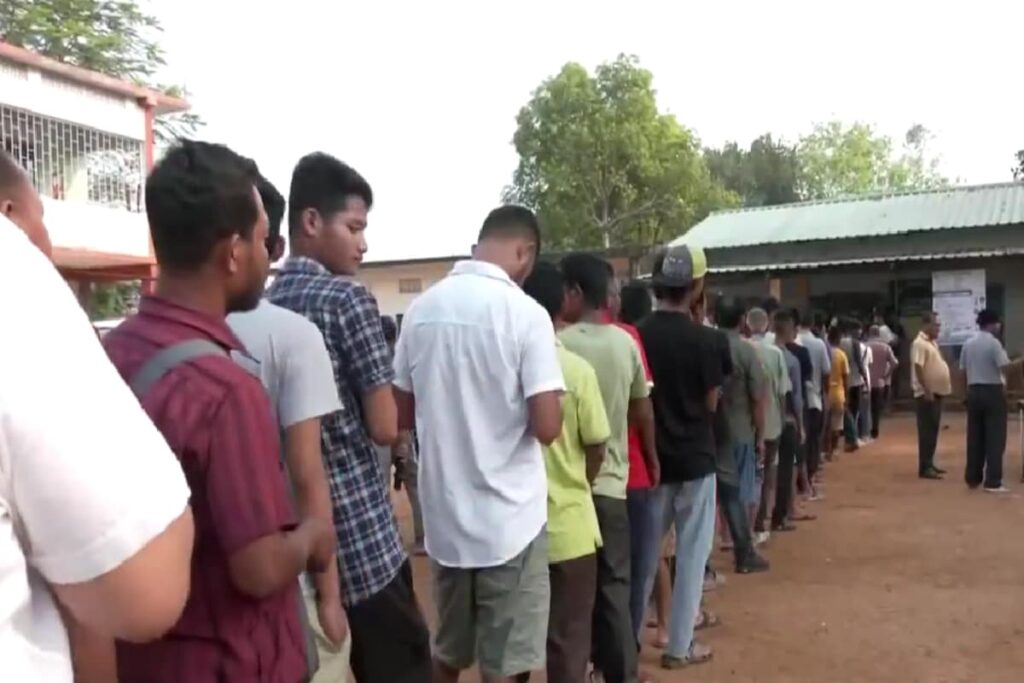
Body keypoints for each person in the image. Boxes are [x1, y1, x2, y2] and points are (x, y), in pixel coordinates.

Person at [103, 141, 334, 682]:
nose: (266, 255)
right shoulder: (225, 391)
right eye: (260, 240)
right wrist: (313, 536)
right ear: (233, 253)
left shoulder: (110, 357)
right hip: (227, 661)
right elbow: (256, 569)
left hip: (145, 658)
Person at [0, 150, 194, 682]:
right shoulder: (15, 277)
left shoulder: (129, 342)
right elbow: (146, 591)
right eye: (41, 217)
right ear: (11, 213)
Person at [268, 152, 431, 681]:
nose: (364, 243)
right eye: (354, 227)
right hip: (360, 536)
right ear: (311, 222)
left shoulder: (264, 303)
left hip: (295, 536)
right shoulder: (346, 300)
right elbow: (385, 426)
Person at [394, 205, 563, 683]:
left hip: (447, 521)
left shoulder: (421, 311)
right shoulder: (526, 315)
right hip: (511, 521)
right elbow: (548, 427)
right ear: (524, 252)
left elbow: (401, 416)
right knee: (506, 665)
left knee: (447, 651)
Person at [226, 176, 349, 682]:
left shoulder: (128, 347)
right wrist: (330, 595)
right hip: (283, 581)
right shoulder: (294, 336)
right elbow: (307, 475)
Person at [560, 252, 655, 683]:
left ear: (575, 293)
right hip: (613, 485)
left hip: (568, 490)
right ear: (608, 296)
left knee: (573, 597)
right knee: (616, 586)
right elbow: (642, 410)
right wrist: (651, 461)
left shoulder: (560, 344)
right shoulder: (625, 342)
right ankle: (620, 673)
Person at [523, 261, 609, 683]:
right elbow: (597, 446)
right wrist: (579, 482)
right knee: (570, 642)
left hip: (514, 530)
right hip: (570, 524)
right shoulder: (575, 371)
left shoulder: (504, 368)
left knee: (513, 647)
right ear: (563, 304)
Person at [636, 244, 722, 669]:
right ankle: (679, 646)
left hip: (652, 463)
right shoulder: (707, 340)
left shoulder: (637, 334)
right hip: (696, 460)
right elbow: (710, 403)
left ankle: (626, 644)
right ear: (696, 287)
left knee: (645, 556)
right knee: (690, 556)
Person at [716, 299, 771, 574]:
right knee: (737, 494)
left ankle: (706, 561)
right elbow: (758, 399)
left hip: (705, 432)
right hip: (738, 431)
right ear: (741, 321)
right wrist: (760, 435)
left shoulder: (708, 345)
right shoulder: (746, 352)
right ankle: (743, 549)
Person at [378, 315, 426, 555]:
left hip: (377, 434)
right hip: (401, 430)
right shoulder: (396, 359)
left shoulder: (376, 359)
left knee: (381, 488)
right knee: (413, 484)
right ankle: (422, 537)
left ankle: (390, 539)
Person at [960, 309, 1022, 492]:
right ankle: (993, 481)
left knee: (974, 437)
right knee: (995, 437)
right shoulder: (994, 344)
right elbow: (1005, 369)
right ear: (992, 324)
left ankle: (972, 478)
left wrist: (965, 394)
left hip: (973, 390)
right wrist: (1021, 361)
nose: (1000, 326)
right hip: (992, 391)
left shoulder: (968, 343)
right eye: (998, 323)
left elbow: (962, 371)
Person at [747, 307, 790, 545]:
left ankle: (741, 528)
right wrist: (783, 418)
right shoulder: (775, 353)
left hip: (745, 425)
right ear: (766, 325)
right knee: (767, 476)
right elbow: (783, 393)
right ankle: (760, 523)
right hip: (771, 422)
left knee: (748, 475)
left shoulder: (742, 350)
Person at [773, 310, 805, 533]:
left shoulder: (760, 353)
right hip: (786, 421)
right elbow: (795, 397)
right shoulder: (791, 360)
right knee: (785, 469)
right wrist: (801, 425)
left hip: (764, 421)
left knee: (765, 473)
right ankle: (780, 517)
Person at [911, 313, 951, 480]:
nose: (938, 328)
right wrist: (927, 390)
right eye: (936, 325)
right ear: (926, 325)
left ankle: (929, 462)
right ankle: (925, 467)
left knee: (933, 429)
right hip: (927, 394)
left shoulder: (932, 342)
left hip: (936, 392)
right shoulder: (919, 343)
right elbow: (918, 367)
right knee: (927, 430)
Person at [796, 310, 831, 496]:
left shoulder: (793, 342)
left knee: (799, 443)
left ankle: (800, 482)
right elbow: (826, 372)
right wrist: (825, 393)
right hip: (815, 399)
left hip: (796, 400)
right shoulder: (818, 344)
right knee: (813, 442)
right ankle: (809, 478)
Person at [866, 325, 899, 439]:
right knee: (876, 408)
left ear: (869, 333)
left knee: (867, 408)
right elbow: (895, 363)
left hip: (867, 382)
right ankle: (875, 429)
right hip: (880, 382)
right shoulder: (885, 347)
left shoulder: (865, 346)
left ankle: (866, 429)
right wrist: (886, 375)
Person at [826, 327, 851, 460]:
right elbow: (846, 376)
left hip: (825, 391)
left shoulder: (825, 352)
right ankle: (833, 450)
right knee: (836, 423)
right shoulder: (841, 354)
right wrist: (846, 395)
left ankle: (824, 450)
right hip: (838, 392)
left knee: (825, 424)